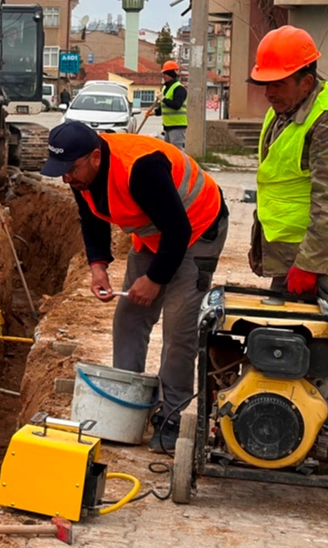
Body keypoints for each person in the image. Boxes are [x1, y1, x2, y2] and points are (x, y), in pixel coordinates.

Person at [41, 121, 229, 454]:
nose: (66, 178)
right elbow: (93, 219)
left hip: (198, 228)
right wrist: (97, 268)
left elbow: (178, 230)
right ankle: (127, 402)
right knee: (128, 317)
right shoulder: (78, 172)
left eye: (70, 170)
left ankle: (170, 414)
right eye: (61, 171)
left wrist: (155, 279)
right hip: (154, 234)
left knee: (178, 328)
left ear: (96, 158)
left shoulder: (142, 169)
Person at [248, 25, 328, 328]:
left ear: (307, 82)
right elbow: (277, 183)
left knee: (324, 350)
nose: (268, 92)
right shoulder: (283, 112)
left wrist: (310, 265)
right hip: (293, 257)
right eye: (265, 83)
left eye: (278, 83)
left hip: (325, 263)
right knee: (284, 352)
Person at [156, 60, 187, 150]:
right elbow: (165, 107)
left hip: (177, 126)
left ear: (170, 74)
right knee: (169, 151)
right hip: (168, 126)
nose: (164, 77)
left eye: (165, 74)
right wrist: (155, 112)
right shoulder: (165, 88)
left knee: (177, 151)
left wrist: (163, 99)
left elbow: (177, 105)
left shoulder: (179, 88)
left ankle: (183, 164)